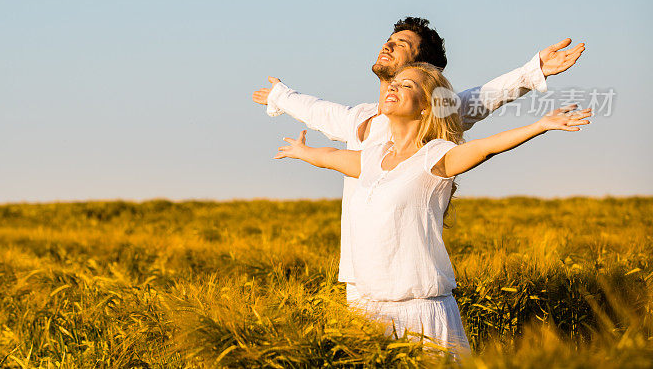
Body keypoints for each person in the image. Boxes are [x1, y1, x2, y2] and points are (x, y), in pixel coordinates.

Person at [252, 17, 585, 304]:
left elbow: (484, 98)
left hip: (409, 280)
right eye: (389, 40)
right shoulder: (360, 118)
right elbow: (319, 112)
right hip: (358, 276)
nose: (388, 45)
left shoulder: (432, 113)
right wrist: (282, 96)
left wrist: (534, 71)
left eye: (401, 44)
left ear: (423, 68)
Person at [273, 62, 592, 355]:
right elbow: (332, 157)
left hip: (422, 315)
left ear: (426, 105)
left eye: (407, 85)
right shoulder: (373, 157)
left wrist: (541, 125)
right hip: (370, 313)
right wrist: (303, 151)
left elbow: (484, 148)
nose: (393, 87)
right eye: (393, 83)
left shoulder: (435, 156)